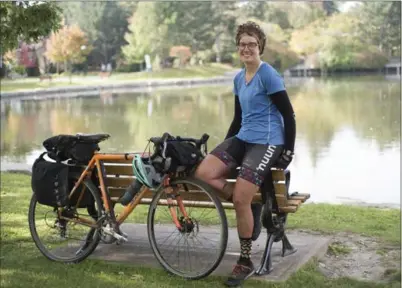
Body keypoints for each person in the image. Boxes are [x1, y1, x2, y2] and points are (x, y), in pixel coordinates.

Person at [195, 21, 296, 287]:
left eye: (251, 44)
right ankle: (247, 204)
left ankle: (245, 260)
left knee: (240, 199)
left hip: (267, 142)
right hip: (244, 138)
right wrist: (225, 147)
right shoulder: (239, 78)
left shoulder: (268, 75)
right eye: (242, 44)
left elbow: (289, 114)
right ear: (238, 48)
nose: (246, 48)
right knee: (204, 172)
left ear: (260, 46)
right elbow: (238, 118)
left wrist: (289, 150)